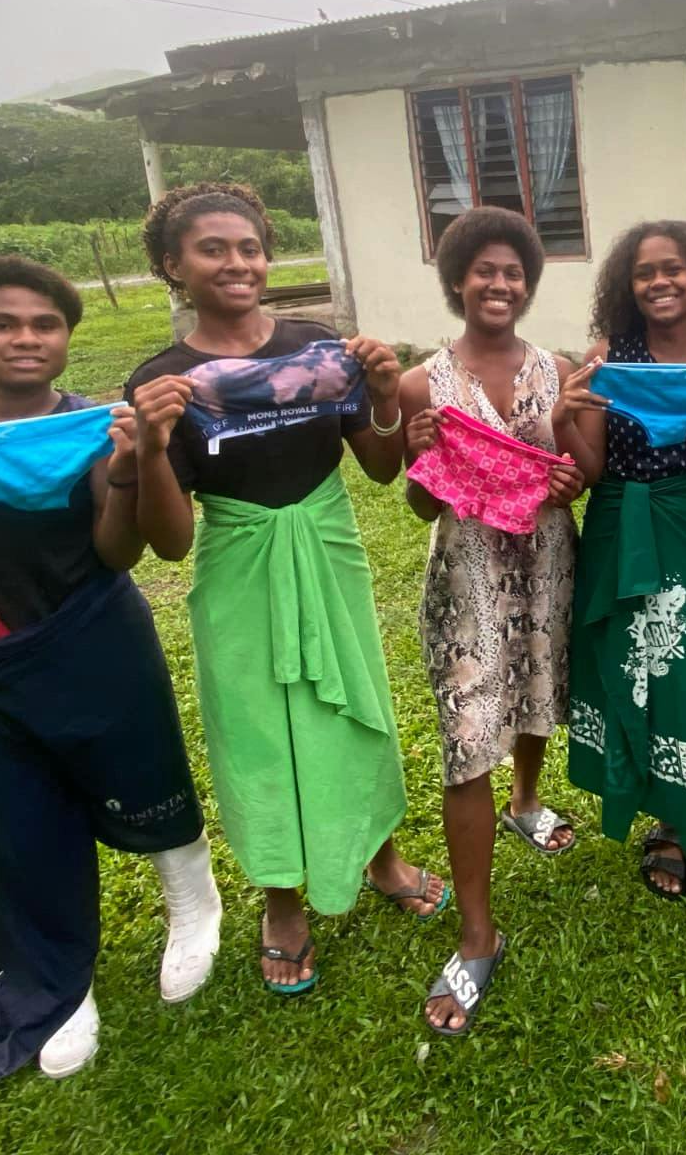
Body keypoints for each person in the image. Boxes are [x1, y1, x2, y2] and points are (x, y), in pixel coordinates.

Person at [0, 255, 221, 1085]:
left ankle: (193, 903)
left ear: (66, 340)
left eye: (45, 324)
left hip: (95, 640)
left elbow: (118, 550)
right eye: (3, 322)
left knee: (143, 773)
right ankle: (57, 984)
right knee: (17, 823)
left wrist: (131, 467)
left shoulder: (97, 427)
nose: (26, 338)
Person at [125, 182, 446, 1001]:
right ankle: (281, 898)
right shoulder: (164, 379)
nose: (237, 263)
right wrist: (154, 447)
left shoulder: (316, 347)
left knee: (355, 712)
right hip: (239, 565)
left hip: (329, 549)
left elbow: (378, 468)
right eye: (212, 249)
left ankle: (379, 856)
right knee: (258, 731)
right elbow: (169, 540)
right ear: (173, 265)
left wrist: (378, 396)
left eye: (249, 248)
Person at [398, 207, 584, 1034]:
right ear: (457, 281)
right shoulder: (421, 382)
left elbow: (585, 469)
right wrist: (419, 452)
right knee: (467, 739)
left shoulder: (561, 371)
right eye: (484, 271)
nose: (499, 284)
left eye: (513, 272)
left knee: (540, 697)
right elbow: (414, 501)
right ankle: (479, 933)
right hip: (468, 579)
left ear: (528, 283)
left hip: (547, 566)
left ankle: (528, 799)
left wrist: (574, 475)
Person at [552, 219, 686, 902]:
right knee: (628, 666)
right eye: (645, 273)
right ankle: (662, 818)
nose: (659, 282)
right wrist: (563, 421)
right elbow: (586, 472)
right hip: (618, 525)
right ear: (628, 286)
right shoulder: (608, 357)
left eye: (672, 268)